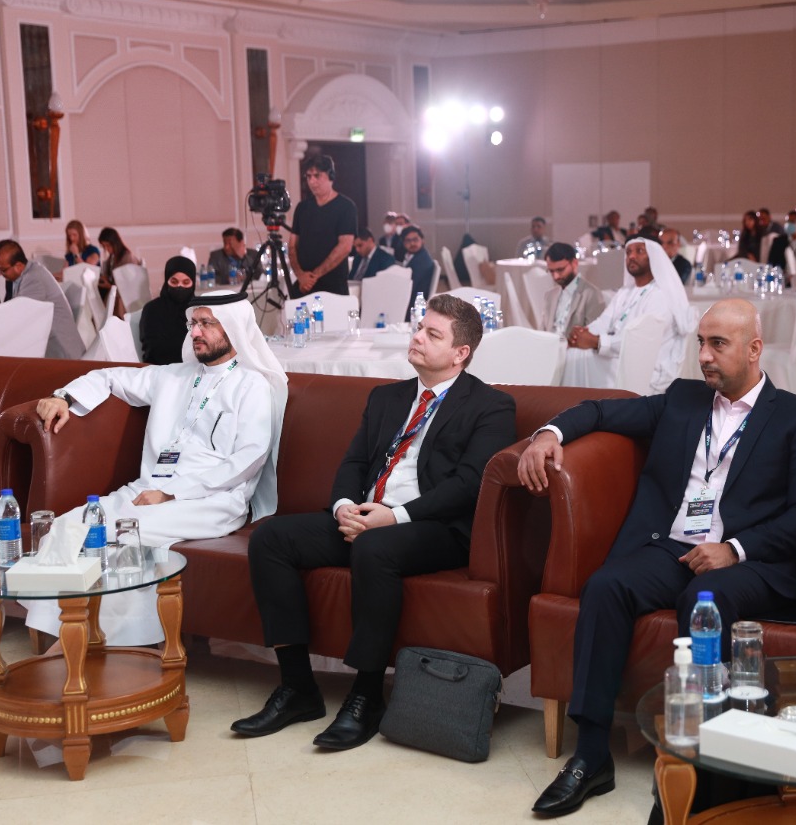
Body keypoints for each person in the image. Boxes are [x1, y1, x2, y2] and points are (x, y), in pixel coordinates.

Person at [518, 298, 796, 816]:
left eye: (718, 344)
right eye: (701, 343)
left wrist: (734, 549)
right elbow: (599, 410)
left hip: (748, 561)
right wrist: (547, 435)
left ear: (754, 349)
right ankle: (591, 755)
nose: (704, 355)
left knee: (704, 599)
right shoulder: (684, 399)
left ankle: (701, 764)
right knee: (606, 586)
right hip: (671, 547)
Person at [231, 294, 516, 748]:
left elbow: (468, 485)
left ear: (460, 353)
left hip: (434, 528)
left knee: (373, 547)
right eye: (420, 328)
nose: (417, 337)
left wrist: (394, 516)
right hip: (366, 518)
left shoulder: (491, 405)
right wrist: (345, 506)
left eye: (432, 334)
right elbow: (355, 461)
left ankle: (365, 696)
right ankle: (298, 687)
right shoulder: (387, 396)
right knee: (271, 537)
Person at [27, 291, 286, 645]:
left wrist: (171, 493)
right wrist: (63, 397)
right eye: (192, 323)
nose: (196, 332)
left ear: (233, 327)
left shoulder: (251, 385)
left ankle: (86, 648)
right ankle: (61, 632)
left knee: (124, 537)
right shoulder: (173, 376)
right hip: (147, 489)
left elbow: (248, 459)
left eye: (206, 324)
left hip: (211, 500)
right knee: (65, 527)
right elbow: (108, 377)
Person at [561, 236, 696, 394]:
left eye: (639, 251)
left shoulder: (661, 295)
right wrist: (582, 334)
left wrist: (597, 342)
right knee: (575, 353)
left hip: (648, 369)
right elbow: (604, 321)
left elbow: (640, 340)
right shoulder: (625, 292)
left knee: (579, 357)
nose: (632, 256)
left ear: (653, 257)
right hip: (621, 355)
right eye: (628, 252)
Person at [0, 240, 85, 359]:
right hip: (49, 346)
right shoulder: (26, 274)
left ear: (19, 266)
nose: (0, 274)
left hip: (62, 354)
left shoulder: (33, 279)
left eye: (3, 270)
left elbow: (16, 315)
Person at [289, 152, 357, 297]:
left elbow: (345, 246)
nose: (312, 181)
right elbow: (292, 245)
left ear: (330, 176)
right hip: (304, 285)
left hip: (333, 287)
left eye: (317, 176)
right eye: (308, 176)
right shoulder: (302, 208)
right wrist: (301, 275)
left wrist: (314, 276)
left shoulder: (346, 207)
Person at [139, 255, 198, 364]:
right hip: (159, 369)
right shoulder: (152, 309)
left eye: (186, 282)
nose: (180, 286)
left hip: (195, 368)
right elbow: (152, 347)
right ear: (166, 281)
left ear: (193, 283)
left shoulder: (198, 309)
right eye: (174, 282)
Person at [540, 242, 605, 338]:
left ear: (574, 263)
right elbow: (542, 332)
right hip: (548, 345)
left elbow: (593, 337)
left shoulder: (591, 294)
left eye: (560, 270)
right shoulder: (549, 295)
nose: (556, 276)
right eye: (551, 271)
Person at [97, 227, 138, 309]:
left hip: (124, 297)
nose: (106, 249)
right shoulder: (112, 257)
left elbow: (128, 284)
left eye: (108, 245)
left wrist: (110, 286)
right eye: (104, 246)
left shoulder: (127, 257)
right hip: (115, 291)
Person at [399, 225, 435, 311]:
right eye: (408, 241)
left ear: (422, 240)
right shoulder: (418, 256)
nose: (412, 243)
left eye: (415, 240)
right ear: (403, 243)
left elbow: (410, 287)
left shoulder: (421, 261)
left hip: (413, 306)